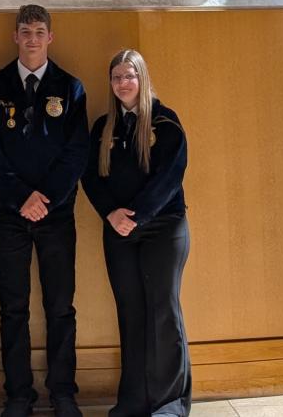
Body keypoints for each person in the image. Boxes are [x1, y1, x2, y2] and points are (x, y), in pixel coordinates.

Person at [0, 5, 89, 417]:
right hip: (8, 213)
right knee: (13, 308)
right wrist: (20, 196)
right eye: (25, 31)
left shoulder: (71, 87)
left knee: (60, 306)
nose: (33, 39)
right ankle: (18, 395)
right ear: (15, 37)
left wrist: (46, 199)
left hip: (56, 215)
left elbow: (77, 153)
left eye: (40, 31)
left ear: (50, 37)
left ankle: (63, 393)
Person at [81, 49, 191, 417]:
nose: (123, 83)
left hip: (163, 228)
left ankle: (170, 404)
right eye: (116, 77)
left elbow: (170, 177)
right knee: (131, 312)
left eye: (129, 76)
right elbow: (91, 178)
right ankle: (133, 402)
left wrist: (139, 216)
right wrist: (111, 214)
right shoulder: (103, 127)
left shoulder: (165, 122)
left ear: (142, 78)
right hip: (118, 230)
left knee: (163, 311)